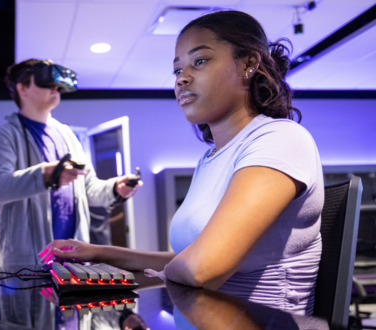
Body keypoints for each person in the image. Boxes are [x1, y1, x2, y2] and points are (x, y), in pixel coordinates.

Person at [40, 10, 324, 315]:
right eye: (177, 70)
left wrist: (137, 270)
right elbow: (187, 262)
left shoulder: (280, 139)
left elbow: (202, 270)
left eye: (199, 61)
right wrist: (98, 253)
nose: (182, 78)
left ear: (248, 64)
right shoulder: (211, 158)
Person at [0, 59, 142, 268]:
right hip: (28, 264)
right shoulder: (5, 136)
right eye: (46, 84)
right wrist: (45, 175)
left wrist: (115, 188)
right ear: (22, 89)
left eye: (56, 85)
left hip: (74, 257)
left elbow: (89, 189)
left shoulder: (69, 137)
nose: (55, 89)